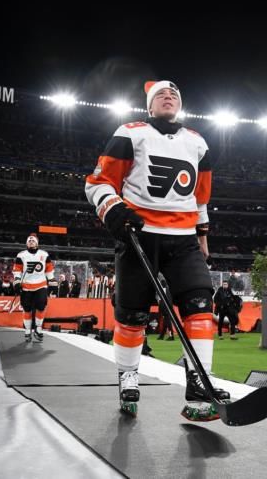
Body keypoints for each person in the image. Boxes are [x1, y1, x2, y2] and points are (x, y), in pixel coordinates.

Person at [85, 80, 230, 421]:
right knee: (132, 314)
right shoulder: (130, 133)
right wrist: (115, 210)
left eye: (175, 93)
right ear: (149, 106)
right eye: (161, 94)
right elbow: (97, 182)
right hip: (139, 235)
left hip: (182, 238)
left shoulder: (197, 142)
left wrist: (203, 234)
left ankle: (198, 387)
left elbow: (201, 197)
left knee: (199, 304)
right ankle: (128, 376)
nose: (169, 96)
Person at [13, 233, 54, 342]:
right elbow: (17, 270)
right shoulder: (21, 255)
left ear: (37, 243)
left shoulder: (44, 254)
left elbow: (49, 269)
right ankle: (27, 330)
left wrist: (53, 282)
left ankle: (38, 328)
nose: (31, 242)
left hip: (41, 284)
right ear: (27, 243)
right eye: (29, 241)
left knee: (41, 306)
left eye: (33, 240)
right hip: (26, 285)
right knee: (27, 309)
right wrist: (17, 282)